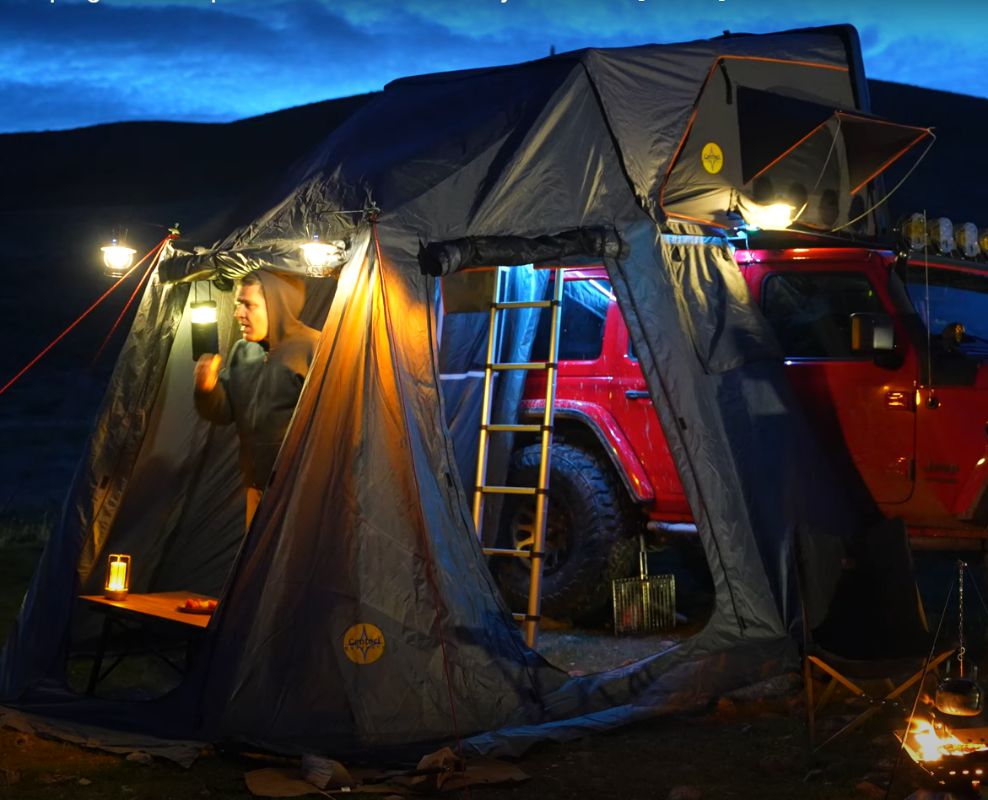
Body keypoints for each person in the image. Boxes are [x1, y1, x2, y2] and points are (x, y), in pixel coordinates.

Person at [194, 269, 320, 527]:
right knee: (257, 566)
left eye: (248, 305)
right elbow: (225, 411)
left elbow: (330, 422)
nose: (238, 313)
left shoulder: (312, 349)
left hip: (301, 492)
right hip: (256, 488)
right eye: (239, 304)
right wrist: (207, 389)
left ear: (277, 306)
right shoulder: (244, 351)